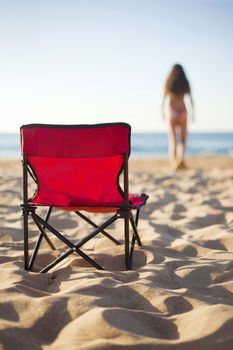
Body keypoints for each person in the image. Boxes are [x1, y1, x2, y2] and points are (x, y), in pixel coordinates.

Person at [161, 64, 194, 170]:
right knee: (182, 140)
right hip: (182, 111)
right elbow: (191, 100)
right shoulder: (185, 83)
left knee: (173, 140)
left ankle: (174, 163)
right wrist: (193, 113)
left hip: (172, 111)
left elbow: (163, 101)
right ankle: (180, 160)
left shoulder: (168, 83)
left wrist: (162, 113)